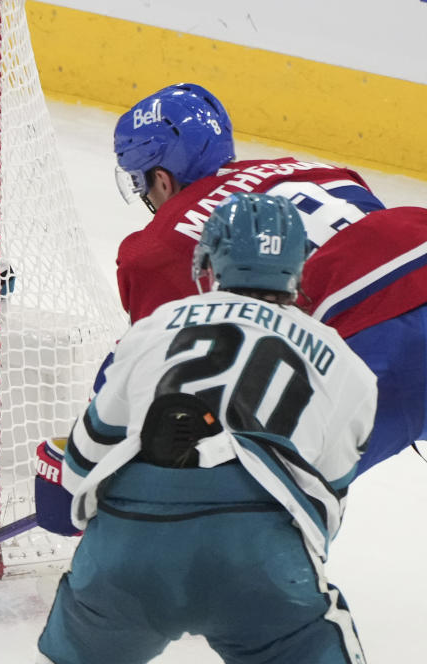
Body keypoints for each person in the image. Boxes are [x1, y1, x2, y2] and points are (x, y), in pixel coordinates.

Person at [34, 193, 376, 663]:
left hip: (128, 544)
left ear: (211, 262)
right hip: (259, 553)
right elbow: (324, 506)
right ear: (298, 269)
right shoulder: (346, 364)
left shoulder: (156, 326)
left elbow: (80, 464)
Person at [110, 82, 427, 474]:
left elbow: (156, 375)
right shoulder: (314, 169)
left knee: (266, 500)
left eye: (139, 181)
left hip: (379, 339)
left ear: (161, 179)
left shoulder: (157, 248)